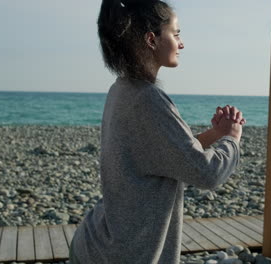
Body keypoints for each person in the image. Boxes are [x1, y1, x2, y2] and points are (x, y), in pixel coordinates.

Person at [69, 0, 246, 263]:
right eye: (175, 34)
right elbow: (206, 174)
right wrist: (231, 138)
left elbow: (164, 155)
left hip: (96, 243)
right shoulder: (148, 99)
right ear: (152, 40)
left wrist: (215, 134)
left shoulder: (122, 89)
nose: (181, 44)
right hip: (124, 255)